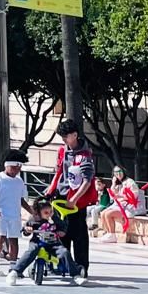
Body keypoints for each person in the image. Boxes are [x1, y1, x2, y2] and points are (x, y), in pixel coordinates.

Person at [52, 119, 98, 284]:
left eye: (66, 136)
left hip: (76, 201)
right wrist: (51, 191)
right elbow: (58, 172)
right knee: (61, 232)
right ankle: (62, 264)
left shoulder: (85, 156)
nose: (64, 139)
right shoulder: (63, 151)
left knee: (78, 234)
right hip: (62, 196)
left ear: (75, 135)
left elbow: (87, 181)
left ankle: (81, 266)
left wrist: (74, 199)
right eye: (62, 136)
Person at [7, 200, 74, 286]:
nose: (49, 214)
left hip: (52, 243)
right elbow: (25, 229)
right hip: (37, 241)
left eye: (51, 212)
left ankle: (75, 274)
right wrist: (27, 229)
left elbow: (62, 226)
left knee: (64, 252)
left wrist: (62, 232)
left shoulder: (54, 218)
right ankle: (15, 272)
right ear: (38, 213)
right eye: (46, 213)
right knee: (31, 252)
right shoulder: (34, 219)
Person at [0, 151, 30, 273]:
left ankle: (13, 265)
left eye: (18, 168)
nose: (16, 171)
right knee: (0, 238)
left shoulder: (19, 181)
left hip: (15, 215)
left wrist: (32, 211)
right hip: (0, 214)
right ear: (7, 166)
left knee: (13, 240)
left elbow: (22, 200)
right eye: (14, 168)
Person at [97, 168, 142, 243]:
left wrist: (121, 197)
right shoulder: (118, 182)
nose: (118, 174)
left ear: (123, 172)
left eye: (120, 171)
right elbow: (113, 193)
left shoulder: (130, 182)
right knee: (103, 213)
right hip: (118, 205)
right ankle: (109, 233)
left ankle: (112, 234)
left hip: (127, 207)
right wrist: (113, 183)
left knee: (108, 214)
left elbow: (134, 195)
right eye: (116, 172)